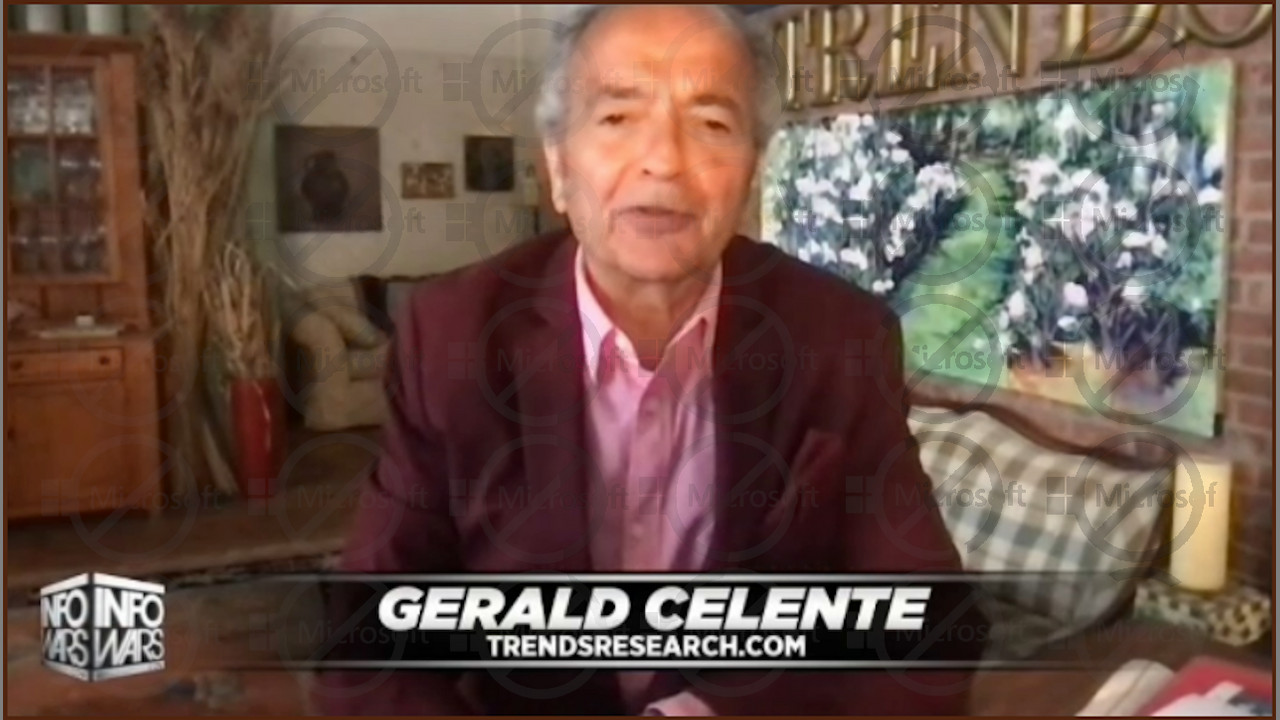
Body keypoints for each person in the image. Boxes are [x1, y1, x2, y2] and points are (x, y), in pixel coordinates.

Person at [313, 5, 982, 714]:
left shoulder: (841, 337)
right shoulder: (454, 337)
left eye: (711, 124)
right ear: (558, 166)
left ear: (752, 172)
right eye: (617, 118)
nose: (663, 160)